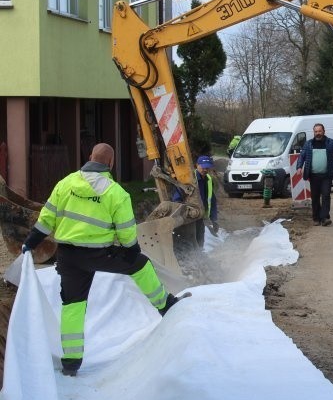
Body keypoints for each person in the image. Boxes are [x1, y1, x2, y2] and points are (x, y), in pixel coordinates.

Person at [20, 143, 188, 377]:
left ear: (90, 157)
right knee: (140, 265)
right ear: (110, 164)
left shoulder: (65, 183)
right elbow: (127, 230)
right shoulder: (115, 192)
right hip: (100, 254)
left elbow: (46, 218)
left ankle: (71, 363)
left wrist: (30, 242)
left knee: (73, 306)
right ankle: (165, 305)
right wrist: (132, 249)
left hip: (68, 256)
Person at [296, 123, 333, 227]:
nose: (318, 133)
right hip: (313, 176)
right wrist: (299, 167)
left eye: (319, 131)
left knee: (326, 195)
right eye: (316, 131)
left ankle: (325, 218)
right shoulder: (309, 144)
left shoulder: (331, 143)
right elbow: (302, 156)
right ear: (314, 132)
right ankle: (316, 218)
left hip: (327, 175)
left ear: (324, 131)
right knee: (315, 197)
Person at [191, 155, 219, 247]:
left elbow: (212, 200)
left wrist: (214, 219)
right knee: (191, 238)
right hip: (190, 216)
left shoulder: (208, 180)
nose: (205, 169)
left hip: (201, 215)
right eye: (203, 167)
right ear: (197, 165)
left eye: (207, 167)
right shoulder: (191, 179)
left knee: (200, 237)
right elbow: (178, 196)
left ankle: (200, 256)